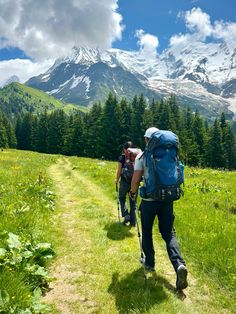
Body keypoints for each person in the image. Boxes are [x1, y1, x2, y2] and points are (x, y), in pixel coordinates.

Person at [130, 127, 188, 290]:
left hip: (149, 201)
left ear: (147, 140)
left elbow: (135, 180)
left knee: (147, 231)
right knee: (169, 233)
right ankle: (179, 265)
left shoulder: (142, 156)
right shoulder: (171, 154)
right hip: (167, 199)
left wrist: (132, 193)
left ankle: (150, 263)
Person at [115, 141, 137, 226]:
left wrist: (116, 179)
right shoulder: (137, 157)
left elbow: (119, 171)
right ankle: (133, 222)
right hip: (134, 182)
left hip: (124, 181)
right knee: (133, 201)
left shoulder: (122, 158)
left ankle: (126, 215)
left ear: (124, 149)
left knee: (122, 197)